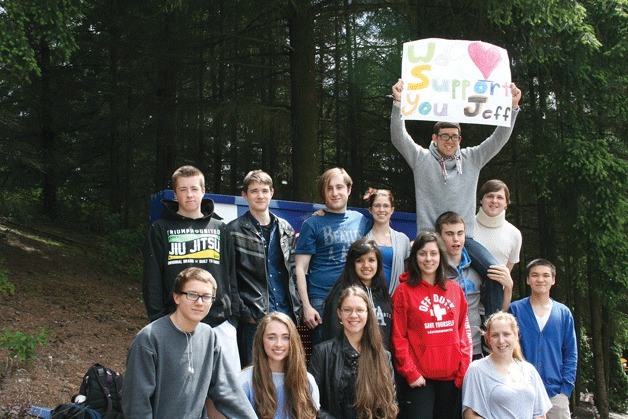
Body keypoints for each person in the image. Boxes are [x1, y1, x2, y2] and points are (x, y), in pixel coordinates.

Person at [390, 79, 522, 317]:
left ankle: (491, 325)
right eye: (444, 136)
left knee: (494, 272)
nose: (449, 141)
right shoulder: (421, 159)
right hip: (430, 237)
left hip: (464, 238)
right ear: (434, 138)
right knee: (418, 282)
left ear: (460, 140)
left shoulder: (472, 159)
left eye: (454, 136)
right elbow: (399, 139)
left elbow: (498, 139)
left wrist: (512, 109)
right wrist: (398, 104)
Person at [123, 267, 256, 418]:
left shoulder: (209, 337)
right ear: (176, 297)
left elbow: (227, 391)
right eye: (192, 295)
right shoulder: (149, 338)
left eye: (206, 296)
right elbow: (137, 406)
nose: (200, 302)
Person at [391, 232, 472, 419]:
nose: (429, 259)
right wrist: (410, 372)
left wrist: (463, 370)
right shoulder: (403, 292)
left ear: (441, 257)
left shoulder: (454, 290)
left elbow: (463, 333)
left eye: (433, 253)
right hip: (419, 379)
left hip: (452, 379)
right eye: (422, 253)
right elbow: (398, 337)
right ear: (415, 257)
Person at [228, 170, 301, 367]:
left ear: (272, 193)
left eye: (264, 190)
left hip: (285, 315)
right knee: (253, 373)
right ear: (245, 195)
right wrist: (245, 313)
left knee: (287, 373)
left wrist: (297, 307)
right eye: (254, 191)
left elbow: (293, 271)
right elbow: (229, 278)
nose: (260, 195)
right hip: (254, 317)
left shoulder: (285, 227)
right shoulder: (233, 230)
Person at [295, 167, 371, 345]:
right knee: (324, 359)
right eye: (329, 188)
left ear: (349, 190)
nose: (334, 193)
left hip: (354, 301)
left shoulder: (361, 221)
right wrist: (307, 306)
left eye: (339, 187)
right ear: (323, 192)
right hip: (322, 301)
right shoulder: (312, 224)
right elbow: (300, 268)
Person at [309, 286, 398, 418]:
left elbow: (390, 404)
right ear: (339, 313)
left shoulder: (383, 356)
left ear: (368, 313)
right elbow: (311, 403)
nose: (353, 315)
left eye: (360, 310)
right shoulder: (322, 353)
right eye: (347, 310)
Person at [436, 211, 513, 359]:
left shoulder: (479, 272)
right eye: (449, 234)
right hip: (446, 351)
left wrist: (508, 288)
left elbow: (497, 312)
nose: (456, 239)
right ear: (439, 236)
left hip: (475, 349)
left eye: (460, 233)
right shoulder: (435, 272)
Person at [509, 259, 578, 419]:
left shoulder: (563, 313)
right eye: (535, 275)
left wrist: (565, 390)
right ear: (528, 279)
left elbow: (571, 354)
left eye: (546, 275)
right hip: (522, 392)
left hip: (555, 395)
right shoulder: (516, 309)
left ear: (553, 280)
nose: (540, 279)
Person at [462, 311, 552, 419]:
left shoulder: (529, 370)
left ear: (516, 335)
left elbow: (540, 414)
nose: (501, 340)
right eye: (495, 335)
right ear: (488, 339)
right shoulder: (477, 370)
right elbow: (470, 414)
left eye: (506, 334)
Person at [239, 312, 319, 419]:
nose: (279, 344)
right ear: (261, 340)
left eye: (285, 337)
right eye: (271, 337)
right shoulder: (245, 381)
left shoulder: (307, 381)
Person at [321, 238, 393, 347]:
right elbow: (332, 334)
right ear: (352, 264)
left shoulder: (382, 293)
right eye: (359, 260)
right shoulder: (342, 293)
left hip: (379, 359)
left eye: (371, 260)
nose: (366, 265)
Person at [363, 188, 411, 295]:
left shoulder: (403, 240)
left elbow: (409, 273)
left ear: (392, 209)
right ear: (370, 210)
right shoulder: (362, 239)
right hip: (369, 299)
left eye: (386, 206)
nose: (381, 210)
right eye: (377, 206)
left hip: (396, 298)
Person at [474, 179, 522, 271]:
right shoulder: (466, 226)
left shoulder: (514, 234)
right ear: (481, 200)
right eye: (490, 196)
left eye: (500, 197)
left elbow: (506, 276)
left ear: (506, 204)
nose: (494, 201)